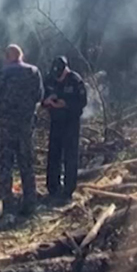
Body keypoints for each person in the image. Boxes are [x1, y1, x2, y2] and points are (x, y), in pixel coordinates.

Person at [0, 44, 44, 215]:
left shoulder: (3, 73)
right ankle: (30, 203)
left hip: (6, 126)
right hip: (25, 125)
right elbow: (39, 96)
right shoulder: (33, 72)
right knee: (26, 163)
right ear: (21, 56)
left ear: (8, 56)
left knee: (6, 164)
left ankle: (8, 205)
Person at [42, 56, 88, 200]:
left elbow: (82, 101)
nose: (58, 78)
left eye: (60, 75)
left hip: (71, 123)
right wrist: (47, 101)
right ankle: (52, 187)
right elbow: (40, 96)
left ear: (66, 69)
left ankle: (68, 189)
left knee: (70, 156)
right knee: (53, 154)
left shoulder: (75, 80)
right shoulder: (49, 80)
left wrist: (66, 103)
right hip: (55, 122)